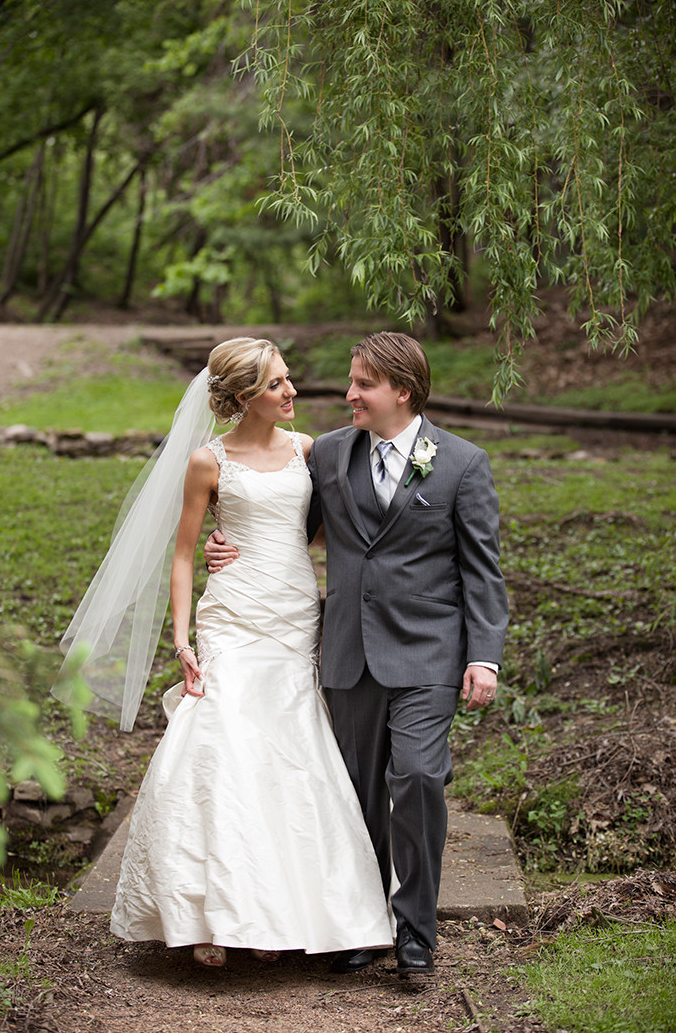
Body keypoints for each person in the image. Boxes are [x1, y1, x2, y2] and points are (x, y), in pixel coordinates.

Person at [55, 337, 392, 968]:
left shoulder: (308, 450)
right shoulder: (209, 462)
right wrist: (182, 637)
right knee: (223, 744)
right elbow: (183, 554)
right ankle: (211, 913)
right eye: (276, 385)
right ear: (242, 398)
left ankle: (275, 913)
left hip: (293, 613)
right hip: (232, 615)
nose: (291, 392)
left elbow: (321, 532)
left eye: (289, 380)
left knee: (290, 750)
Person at [206, 331, 508, 975]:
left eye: (362, 385)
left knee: (420, 779)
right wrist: (224, 544)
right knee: (355, 796)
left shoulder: (460, 464)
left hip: (429, 654)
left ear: (402, 390)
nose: (348, 395)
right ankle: (362, 922)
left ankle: (415, 931)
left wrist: (484, 655)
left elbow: (483, 571)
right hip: (346, 651)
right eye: (351, 382)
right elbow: (282, 520)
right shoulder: (329, 454)